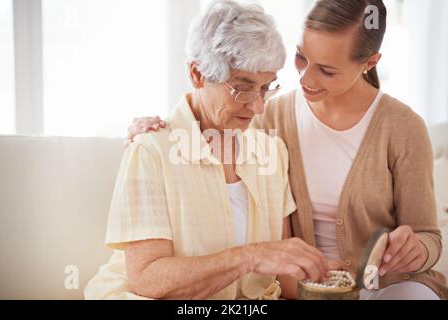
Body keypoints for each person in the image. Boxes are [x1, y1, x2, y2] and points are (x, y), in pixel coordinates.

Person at [127, 0, 448, 299]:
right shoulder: (268, 113)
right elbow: (212, 104)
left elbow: (428, 236)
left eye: (327, 69)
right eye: (301, 57)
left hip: (388, 285)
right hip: (311, 288)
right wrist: (155, 128)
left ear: (369, 63)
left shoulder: (403, 126)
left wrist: (417, 248)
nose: (305, 77)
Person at [84, 0, 334, 300]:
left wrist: (332, 284)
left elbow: (279, 272)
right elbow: (147, 279)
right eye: (243, 87)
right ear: (197, 74)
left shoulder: (270, 152)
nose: (257, 106)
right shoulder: (152, 151)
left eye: (266, 88)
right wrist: (250, 257)